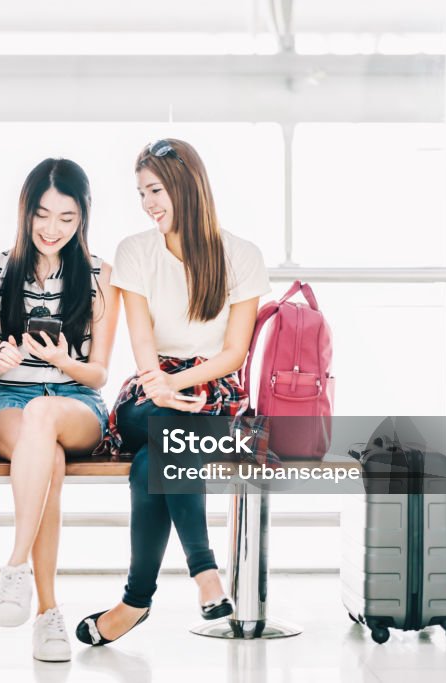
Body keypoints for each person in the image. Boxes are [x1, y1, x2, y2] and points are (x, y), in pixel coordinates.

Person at [76, 139, 270, 646]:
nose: (148, 203)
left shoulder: (241, 255)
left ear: (187, 186)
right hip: (149, 388)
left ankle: (134, 603)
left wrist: (181, 384)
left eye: (156, 190)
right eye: (141, 193)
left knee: (155, 458)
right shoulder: (135, 251)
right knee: (165, 428)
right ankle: (205, 573)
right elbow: (141, 341)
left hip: (214, 391)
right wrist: (159, 385)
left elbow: (233, 354)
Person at [0, 158, 119, 661]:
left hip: (76, 403)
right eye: (42, 214)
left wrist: (62, 361)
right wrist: (0, 360)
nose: (52, 229)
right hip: (8, 402)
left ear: (83, 219)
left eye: (66, 218)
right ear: (25, 212)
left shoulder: (99, 274)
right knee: (45, 455)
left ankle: (14, 568)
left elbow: (99, 373)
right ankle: (47, 612)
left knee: (44, 419)